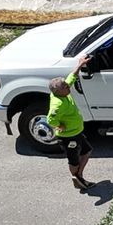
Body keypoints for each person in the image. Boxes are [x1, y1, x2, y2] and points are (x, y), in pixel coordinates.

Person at [48, 56, 94, 191]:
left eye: (66, 85)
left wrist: (80, 65)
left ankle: (78, 176)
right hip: (69, 137)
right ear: (58, 91)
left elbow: (71, 78)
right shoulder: (58, 104)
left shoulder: (62, 92)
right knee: (73, 159)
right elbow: (51, 119)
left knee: (87, 151)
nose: (68, 87)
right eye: (65, 87)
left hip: (77, 132)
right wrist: (59, 126)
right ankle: (76, 178)